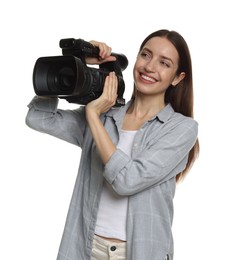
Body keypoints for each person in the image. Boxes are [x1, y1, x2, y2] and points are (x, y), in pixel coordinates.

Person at [26, 29, 199, 260]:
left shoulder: (181, 128)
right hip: (86, 248)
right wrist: (74, 66)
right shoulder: (107, 113)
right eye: (145, 55)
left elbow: (127, 181)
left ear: (178, 77)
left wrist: (93, 116)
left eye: (164, 63)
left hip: (138, 253)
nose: (150, 67)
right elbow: (38, 117)